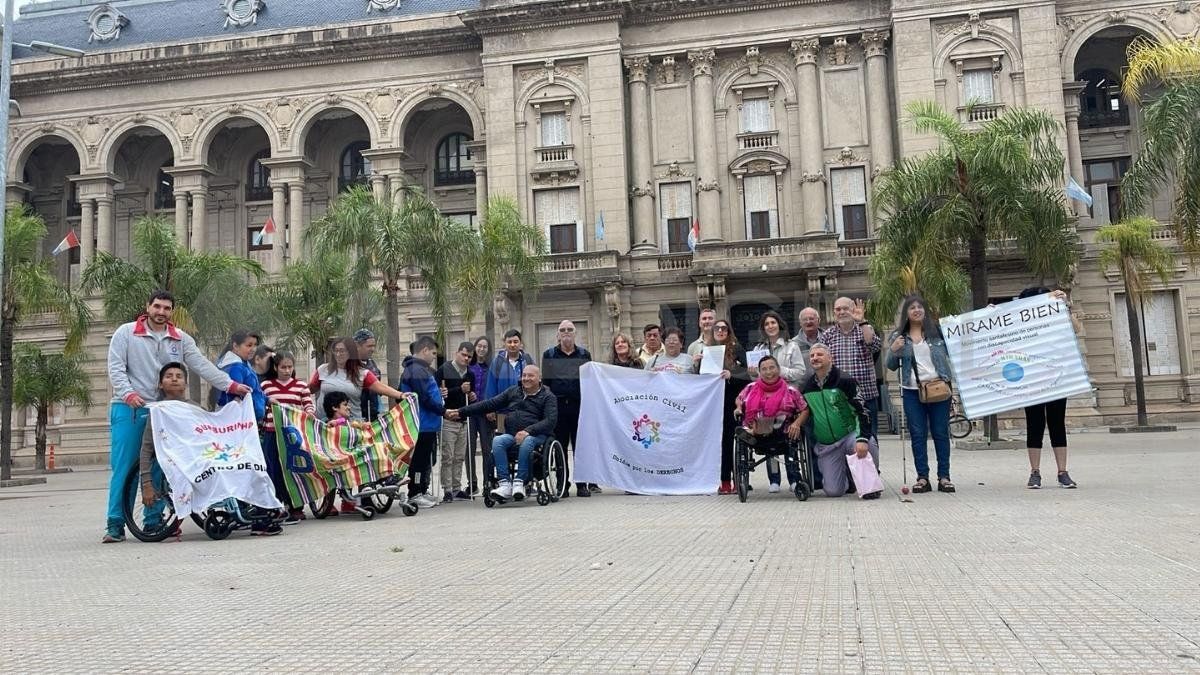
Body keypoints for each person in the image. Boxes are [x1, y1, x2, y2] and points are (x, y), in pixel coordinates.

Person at [103, 289, 250, 543]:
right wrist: (128, 395)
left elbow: (202, 365)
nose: (161, 312)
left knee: (162, 466)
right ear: (148, 307)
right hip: (130, 409)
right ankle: (115, 524)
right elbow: (116, 368)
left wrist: (230, 385)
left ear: (172, 312)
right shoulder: (126, 333)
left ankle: (153, 520)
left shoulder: (180, 339)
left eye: (166, 308)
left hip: (165, 412)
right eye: (157, 307)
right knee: (125, 467)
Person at [447, 365, 557, 502]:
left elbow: (550, 421)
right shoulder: (513, 392)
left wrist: (528, 431)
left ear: (539, 378)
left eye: (530, 376)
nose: (526, 378)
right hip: (513, 434)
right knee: (498, 441)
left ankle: (520, 482)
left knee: (527, 441)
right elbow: (489, 404)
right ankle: (504, 483)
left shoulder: (548, 396)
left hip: (537, 435)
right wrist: (461, 411)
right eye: (524, 375)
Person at [885, 295, 955, 494]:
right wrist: (893, 349)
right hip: (912, 391)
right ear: (906, 313)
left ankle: (944, 476)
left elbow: (960, 343)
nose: (916, 310)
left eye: (920, 307)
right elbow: (890, 365)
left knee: (941, 432)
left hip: (939, 387)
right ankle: (922, 477)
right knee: (918, 434)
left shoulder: (938, 333)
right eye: (912, 308)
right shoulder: (898, 336)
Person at [796, 343, 881, 499]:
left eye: (819, 354)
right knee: (833, 492)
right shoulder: (806, 386)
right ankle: (849, 477)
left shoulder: (845, 380)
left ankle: (870, 482)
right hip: (827, 444)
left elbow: (863, 411)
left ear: (830, 358)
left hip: (849, 435)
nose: (815, 358)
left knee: (868, 443)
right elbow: (804, 410)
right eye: (812, 356)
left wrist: (861, 438)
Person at [1020, 287, 1077, 489]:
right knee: (1034, 425)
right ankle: (1035, 472)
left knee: (1057, 424)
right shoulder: (1018, 322)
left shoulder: (1057, 318)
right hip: (1031, 380)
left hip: (1056, 379)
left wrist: (1066, 306)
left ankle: (1063, 471)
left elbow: (1076, 329)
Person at [748, 311, 807, 492]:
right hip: (765, 399)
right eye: (767, 324)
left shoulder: (792, 347)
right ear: (763, 328)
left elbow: (800, 372)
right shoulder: (758, 350)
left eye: (773, 323)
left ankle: (794, 478)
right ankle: (774, 479)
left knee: (787, 436)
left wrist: (779, 371)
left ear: (779, 325)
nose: (770, 326)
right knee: (768, 436)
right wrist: (752, 371)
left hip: (787, 398)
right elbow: (756, 377)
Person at [260, 351, 316, 522]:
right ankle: (277, 505)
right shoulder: (266, 386)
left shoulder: (301, 386)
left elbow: (308, 405)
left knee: (294, 469)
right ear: (276, 367)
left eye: (289, 367)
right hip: (271, 433)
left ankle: (296, 506)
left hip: (292, 435)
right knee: (274, 469)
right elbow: (260, 406)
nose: (286, 370)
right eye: (283, 367)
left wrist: (310, 413)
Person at [542, 320, 595, 497]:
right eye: (562, 330)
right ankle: (562, 484)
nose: (566, 332)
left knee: (581, 447)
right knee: (560, 447)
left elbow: (589, 382)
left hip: (579, 407)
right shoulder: (549, 355)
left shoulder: (584, 354)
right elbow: (546, 385)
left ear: (575, 333)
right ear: (557, 334)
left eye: (569, 330)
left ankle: (582, 484)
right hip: (557, 408)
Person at [136, 362, 190, 538]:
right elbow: (146, 449)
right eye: (169, 376)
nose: (174, 379)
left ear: (185, 383)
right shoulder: (157, 411)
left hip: (193, 460)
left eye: (179, 376)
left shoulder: (195, 409)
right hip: (167, 462)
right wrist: (146, 485)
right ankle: (152, 520)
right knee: (159, 461)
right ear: (160, 384)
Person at [820, 297, 882, 441]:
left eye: (845, 308)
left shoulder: (865, 329)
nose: (841, 312)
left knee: (869, 438)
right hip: (839, 398)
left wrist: (862, 321)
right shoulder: (828, 335)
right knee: (843, 440)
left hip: (865, 395)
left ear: (853, 310)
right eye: (838, 309)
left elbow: (874, 346)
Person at [309, 336, 405, 421]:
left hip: (351, 426)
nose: (338, 354)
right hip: (324, 425)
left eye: (342, 351)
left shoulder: (362, 373)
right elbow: (307, 390)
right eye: (336, 350)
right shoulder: (323, 370)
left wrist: (401, 395)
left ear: (351, 352)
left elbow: (381, 388)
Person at [400, 336, 445, 509]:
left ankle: (422, 489)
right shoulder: (415, 370)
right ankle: (415, 493)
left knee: (426, 459)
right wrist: (443, 411)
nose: (434, 356)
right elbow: (424, 397)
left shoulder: (422, 370)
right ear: (424, 350)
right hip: (422, 424)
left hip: (429, 423)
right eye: (433, 353)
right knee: (419, 460)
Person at [733, 356, 808, 447]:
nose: (768, 372)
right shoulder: (750, 387)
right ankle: (753, 433)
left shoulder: (791, 391)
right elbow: (739, 399)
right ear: (759, 372)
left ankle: (755, 433)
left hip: (782, 433)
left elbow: (805, 409)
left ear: (779, 369)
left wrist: (797, 424)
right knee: (754, 421)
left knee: (779, 420)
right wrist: (738, 408)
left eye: (772, 368)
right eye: (764, 369)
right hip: (754, 426)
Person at [713, 319, 750, 495]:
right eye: (717, 328)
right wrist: (698, 363)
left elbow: (747, 374)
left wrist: (731, 374)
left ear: (728, 331)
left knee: (735, 441)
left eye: (723, 328)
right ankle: (724, 481)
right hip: (714, 404)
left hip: (733, 402)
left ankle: (738, 479)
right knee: (722, 443)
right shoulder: (708, 351)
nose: (720, 331)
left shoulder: (737, 349)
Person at [438, 341, 476, 503]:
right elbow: (440, 393)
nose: (466, 358)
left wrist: (472, 396)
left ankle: (456, 487)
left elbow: (469, 395)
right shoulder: (444, 370)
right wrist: (459, 390)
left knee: (460, 456)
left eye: (469, 356)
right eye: (464, 354)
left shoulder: (470, 374)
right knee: (448, 456)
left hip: (463, 419)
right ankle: (446, 489)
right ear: (457, 353)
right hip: (448, 418)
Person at [216, 331, 268, 422]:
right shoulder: (235, 367)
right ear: (235, 346)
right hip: (240, 423)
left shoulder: (244, 363)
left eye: (255, 345)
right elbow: (235, 398)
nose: (253, 349)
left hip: (249, 421)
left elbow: (255, 390)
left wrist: (268, 400)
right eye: (249, 345)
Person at [466, 337, 495, 493]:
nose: (482, 349)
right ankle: (472, 483)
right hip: (470, 412)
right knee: (468, 449)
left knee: (487, 449)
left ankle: (487, 482)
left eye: (485, 346)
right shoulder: (468, 367)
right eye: (479, 346)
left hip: (486, 413)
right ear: (475, 348)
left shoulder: (491, 367)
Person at [354, 329, 384, 422]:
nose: (372, 349)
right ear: (358, 346)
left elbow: (378, 387)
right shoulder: (349, 365)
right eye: (369, 346)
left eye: (373, 346)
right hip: (356, 418)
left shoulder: (372, 363)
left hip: (373, 416)